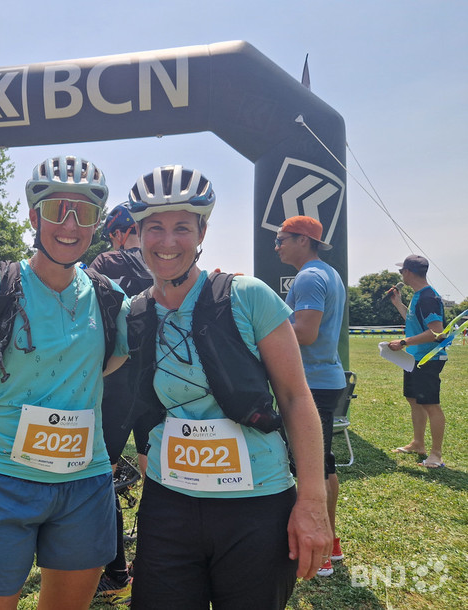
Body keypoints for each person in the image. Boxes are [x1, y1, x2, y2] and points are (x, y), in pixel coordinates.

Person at [0, 155, 130, 610]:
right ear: (35, 216)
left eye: (85, 213)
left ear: (98, 223)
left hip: (85, 483)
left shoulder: (110, 298)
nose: (71, 224)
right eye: (59, 209)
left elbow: (107, 364)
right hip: (2, 479)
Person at [125, 165, 332, 609]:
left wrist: (312, 501)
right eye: (154, 228)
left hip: (256, 503)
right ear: (137, 235)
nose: (167, 241)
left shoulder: (247, 296)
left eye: (182, 227)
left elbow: (296, 398)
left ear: (202, 231)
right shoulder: (134, 313)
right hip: (169, 503)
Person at [275, 215, 347, 578]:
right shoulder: (327, 273)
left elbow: (304, 333)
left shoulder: (308, 277)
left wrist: (263, 322)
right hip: (327, 377)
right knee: (323, 463)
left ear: (303, 240)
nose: (277, 246)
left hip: (312, 382)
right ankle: (329, 542)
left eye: (282, 239)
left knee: (306, 466)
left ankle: (316, 547)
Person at [89, 202, 154, 603]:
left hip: (117, 382)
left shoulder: (107, 261)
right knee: (157, 473)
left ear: (115, 233)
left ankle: (115, 573)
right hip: (160, 380)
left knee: (101, 474)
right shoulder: (160, 263)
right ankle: (152, 562)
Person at [387, 254, 448, 468]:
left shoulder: (428, 297)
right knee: (414, 400)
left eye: (402, 270)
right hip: (416, 357)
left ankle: (436, 455)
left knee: (431, 405)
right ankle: (418, 444)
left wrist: (403, 342)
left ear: (409, 272)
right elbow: (416, 323)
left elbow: (436, 332)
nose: (401, 274)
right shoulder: (418, 296)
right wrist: (398, 304)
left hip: (428, 359)